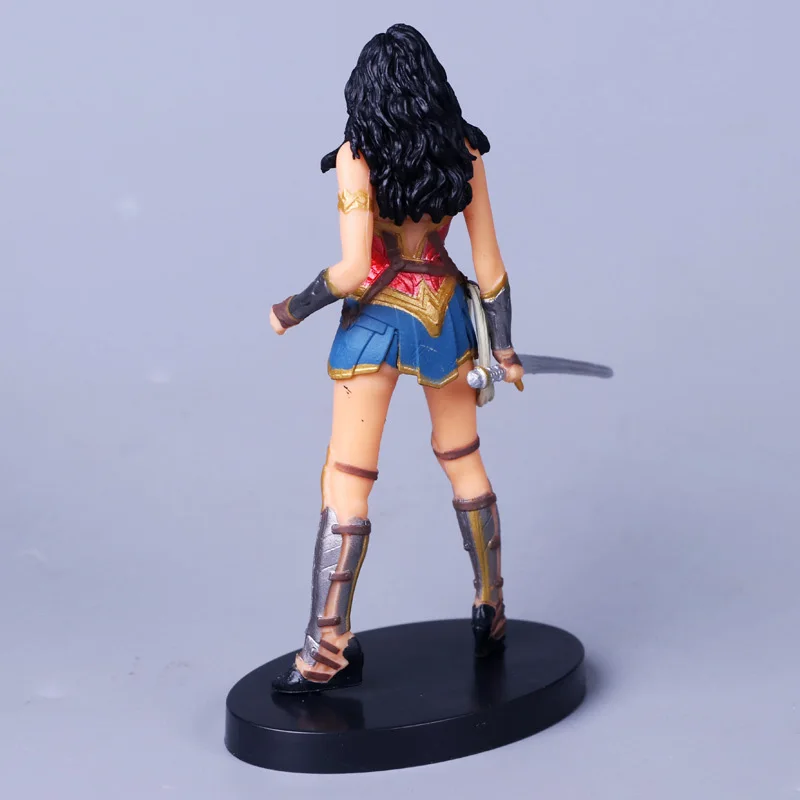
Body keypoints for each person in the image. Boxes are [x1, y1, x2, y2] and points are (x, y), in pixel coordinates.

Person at [268, 23, 523, 694]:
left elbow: (354, 270)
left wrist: (294, 307)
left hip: (376, 324)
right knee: (463, 460)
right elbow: (490, 268)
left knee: (347, 475)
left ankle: (327, 647)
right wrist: (502, 345)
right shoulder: (465, 151)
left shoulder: (358, 156)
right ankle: (492, 609)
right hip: (445, 320)